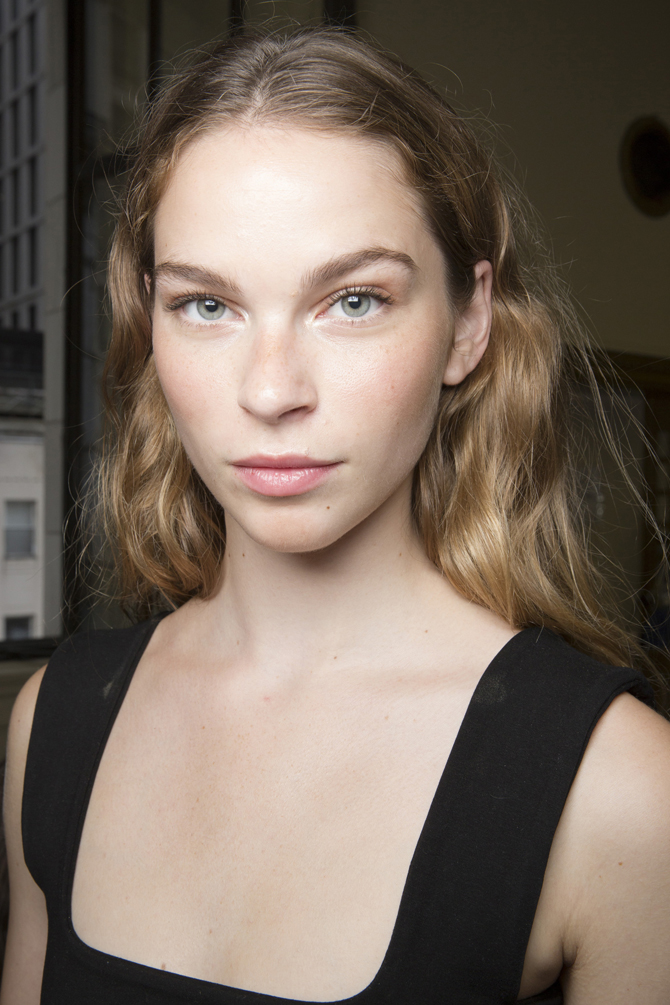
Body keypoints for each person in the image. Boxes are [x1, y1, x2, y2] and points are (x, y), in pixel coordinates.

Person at [2, 26, 670, 1005]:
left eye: (353, 301)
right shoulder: (53, 723)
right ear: (150, 322)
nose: (272, 391)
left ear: (468, 322)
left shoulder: (621, 795)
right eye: (207, 305)